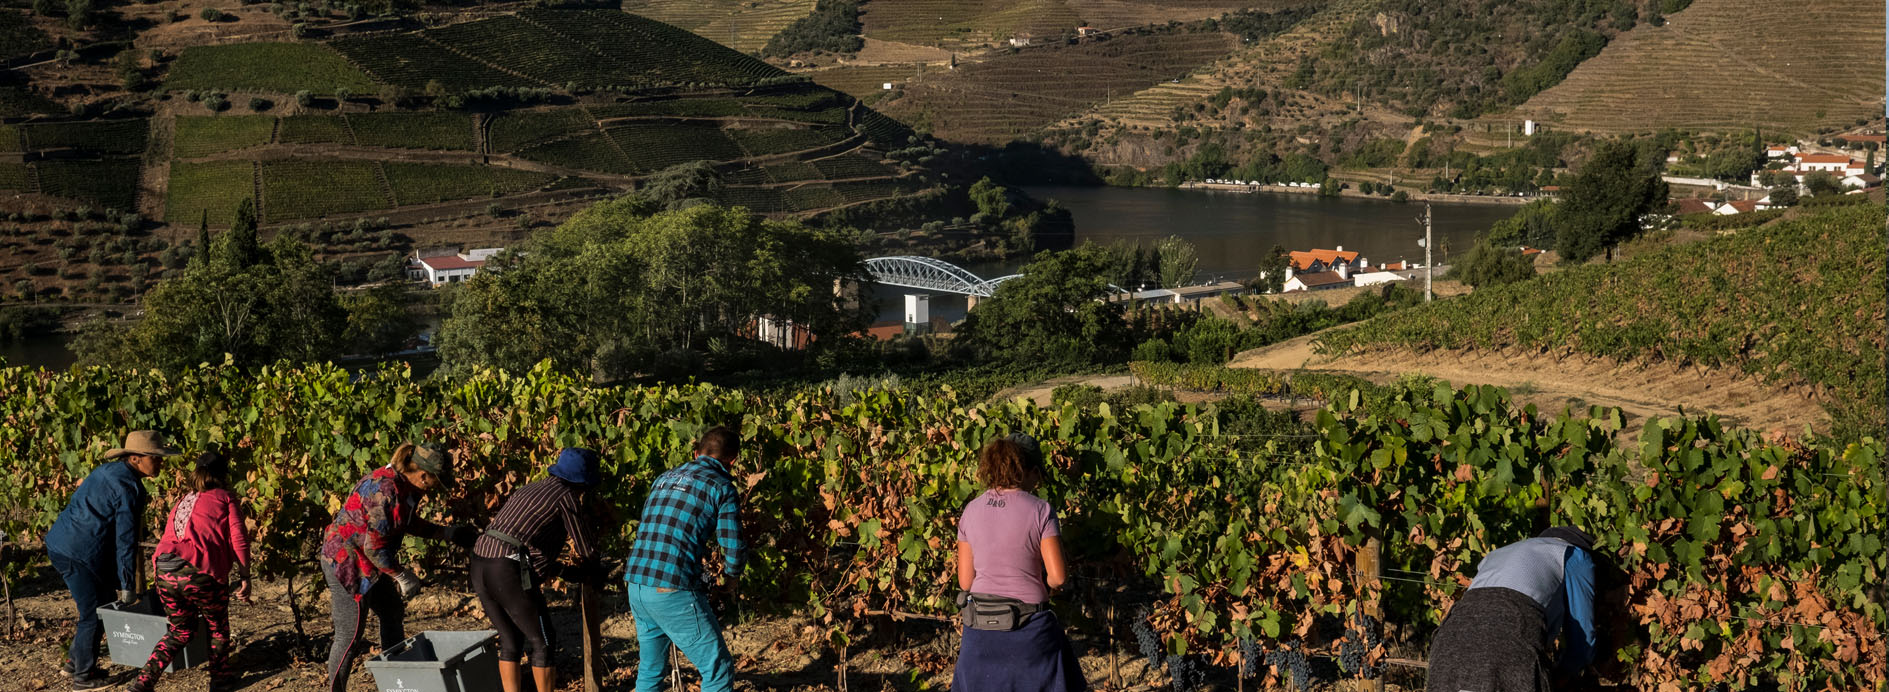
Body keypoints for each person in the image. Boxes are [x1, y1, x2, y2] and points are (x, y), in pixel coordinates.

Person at [319, 442, 477, 692]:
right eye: (437, 481)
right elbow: (374, 548)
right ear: (424, 476)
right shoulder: (386, 491)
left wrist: (447, 533)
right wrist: (403, 576)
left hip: (369, 560)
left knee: (392, 612)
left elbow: (405, 521)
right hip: (347, 562)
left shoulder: (405, 486)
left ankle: (395, 681)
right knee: (350, 635)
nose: (437, 487)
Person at [951, 434, 1086, 692]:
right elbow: (1058, 577)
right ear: (1030, 471)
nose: (1037, 483)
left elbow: (965, 581)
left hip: (980, 635)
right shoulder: (1041, 511)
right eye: (1038, 476)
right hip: (1030, 631)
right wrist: (1045, 585)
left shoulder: (970, 510)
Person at [45, 430, 178, 690]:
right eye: (156, 457)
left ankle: (75, 660)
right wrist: (128, 585)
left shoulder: (106, 471)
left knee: (103, 602)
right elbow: (125, 540)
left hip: (63, 543)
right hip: (78, 553)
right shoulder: (129, 488)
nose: (161, 462)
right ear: (136, 459)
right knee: (93, 613)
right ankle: (83, 677)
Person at [472, 447, 604, 692]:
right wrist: (596, 571)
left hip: (480, 562)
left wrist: (563, 571)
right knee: (542, 642)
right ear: (583, 483)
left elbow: (526, 544)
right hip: (505, 567)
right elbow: (586, 549)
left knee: (511, 640)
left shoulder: (532, 488)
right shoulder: (566, 496)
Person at [623, 426, 744, 692]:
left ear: (696, 452)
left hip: (637, 584)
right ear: (733, 460)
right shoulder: (722, 487)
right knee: (719, 670)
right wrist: (731, 580)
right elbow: (732, 546)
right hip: (671, 588)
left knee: (651, 670)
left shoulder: (663, 478)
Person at [127, 450, 252, 692]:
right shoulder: (225, 498)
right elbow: (239, 538)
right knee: (217, 626)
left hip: (164, 569)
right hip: (199, 570)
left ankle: (143, 682)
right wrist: (245, 576)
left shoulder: (184, 499)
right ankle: (220, 681)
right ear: (223, 474)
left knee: (179, 630)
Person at [1426, 526, 1601, 692]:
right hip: (1509, 644)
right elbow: (1582, 640)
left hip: (1448, 643)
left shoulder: (1496, 554)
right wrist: (1565, 673)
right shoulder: (1575, 555)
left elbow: (1481, 613)